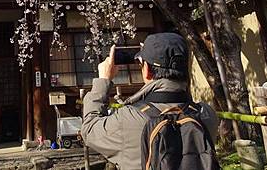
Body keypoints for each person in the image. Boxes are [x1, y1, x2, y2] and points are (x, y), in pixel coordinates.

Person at [81, 32, 218, 170]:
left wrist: (103, 80)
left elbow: (90, 129)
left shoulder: (128, 119)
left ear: (146, 70)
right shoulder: (206, 115)